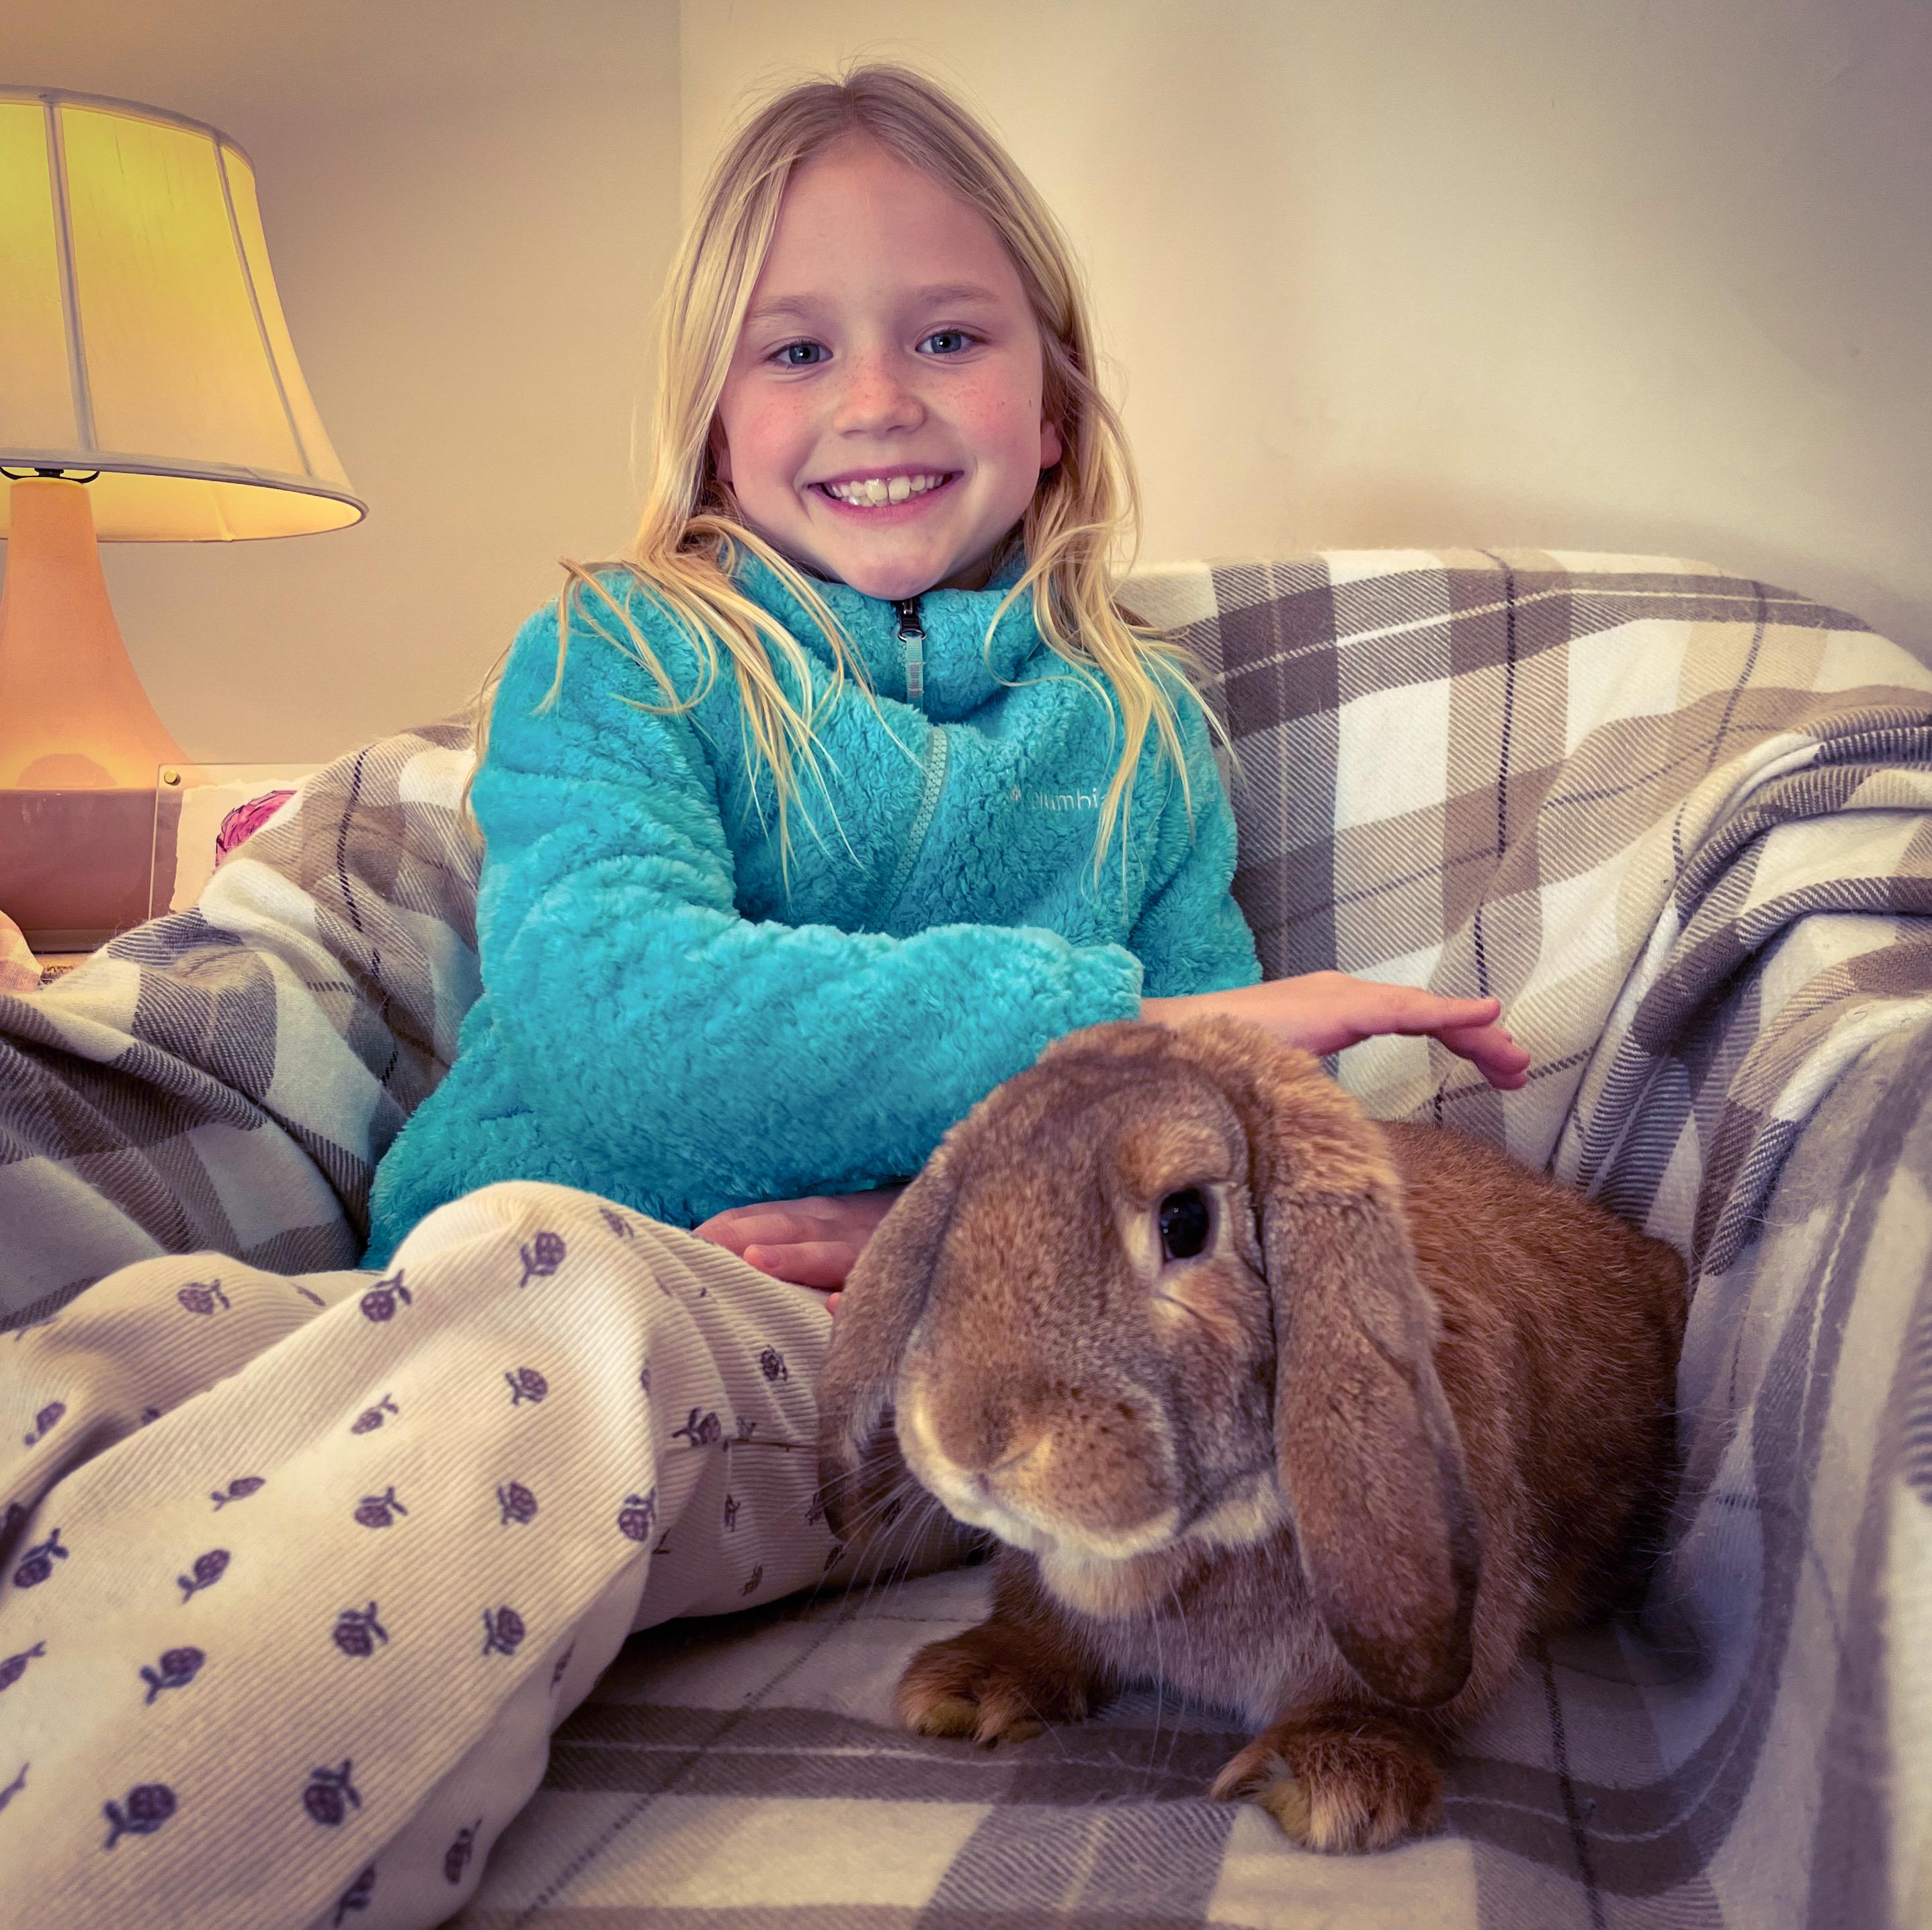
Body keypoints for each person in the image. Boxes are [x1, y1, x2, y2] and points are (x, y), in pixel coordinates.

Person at [0, 64, 1527, 1930]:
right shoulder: (621, 652)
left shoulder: (1140, 738)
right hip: (431, 1267)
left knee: (560, 1316)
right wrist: (1097, 1031)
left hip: (815, 1352)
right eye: (795, 351)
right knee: (119, 1351)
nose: (876, 399)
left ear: (1054, 405)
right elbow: (610, 1014)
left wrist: (933, 1242)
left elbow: (1201, 1183)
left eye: (947, 337)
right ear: (716, 427)